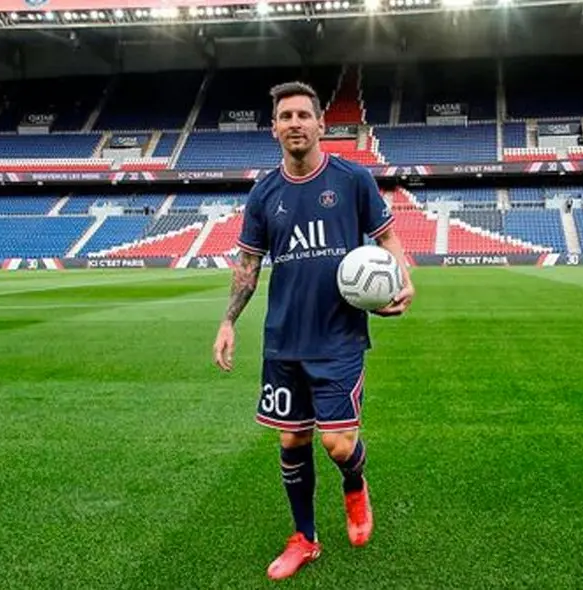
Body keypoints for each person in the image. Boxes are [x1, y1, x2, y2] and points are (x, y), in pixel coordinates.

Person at [212, 81, 415, 581]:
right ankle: (305, 538)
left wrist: (404, 277)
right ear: (274, 128)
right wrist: (228, 321)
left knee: (339, 445)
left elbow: (387, 236)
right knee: (291, 441)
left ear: (321, 124)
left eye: (305, 115)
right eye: (287, 117)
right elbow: (247, 265)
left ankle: (355, 484)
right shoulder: (263, 193)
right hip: (283, 338)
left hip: (339, 335)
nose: (296, 123)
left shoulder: (352, 179)